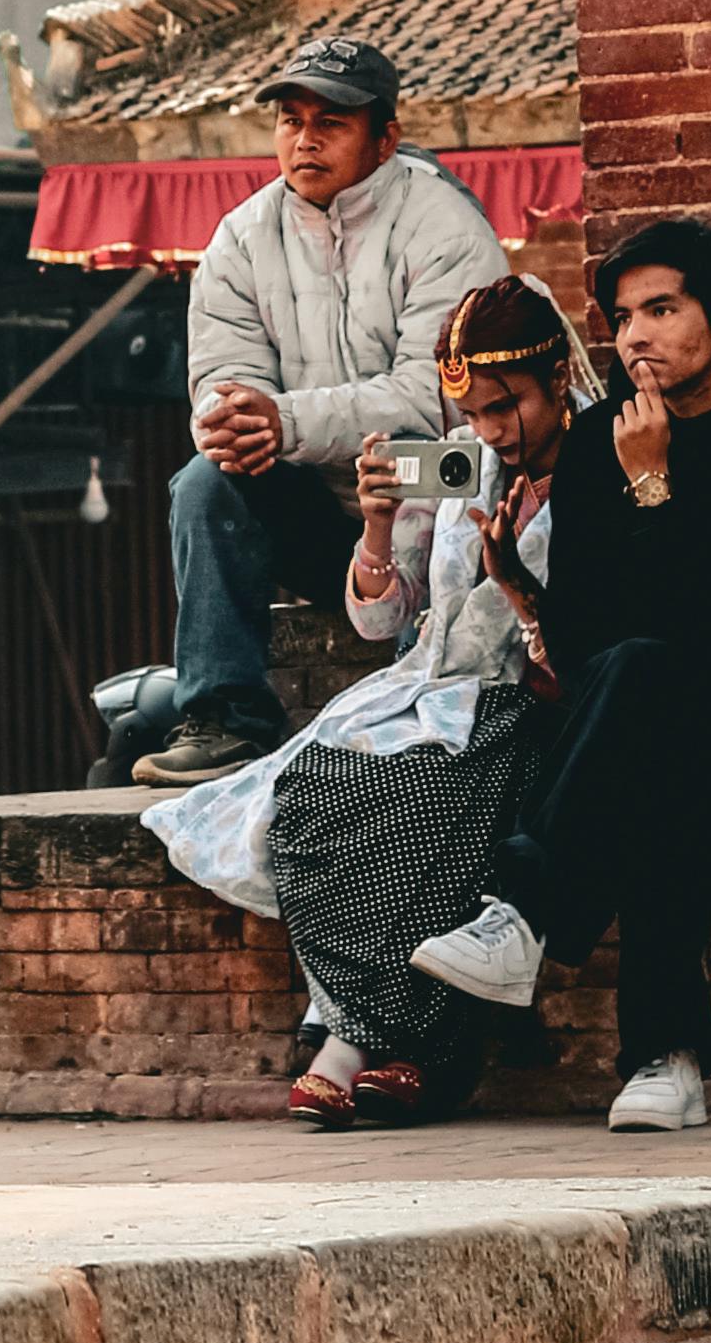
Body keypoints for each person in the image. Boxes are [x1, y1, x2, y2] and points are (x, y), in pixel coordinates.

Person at [409, 218, 711, 1131]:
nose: (636, 335)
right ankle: (663, 1056)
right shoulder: (597, 444)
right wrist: (527, 580)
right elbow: (585, 640)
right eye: (621, 316)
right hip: (646, 714)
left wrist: (654, 487)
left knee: (655, 690)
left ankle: (529, 917)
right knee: (654, 736)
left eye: (661, 309)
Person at [141, 275, 588, 1124]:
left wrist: (521, 590)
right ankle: (385, 1038)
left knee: (427, 801)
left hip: (527, 696)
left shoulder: (598, 475)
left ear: (558, 381)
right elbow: (380, 617)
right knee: (305, 796)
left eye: (506, 408)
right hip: (422, 688)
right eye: (473, 412)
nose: (490, 431)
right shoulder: (464, 468)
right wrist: (381, 526)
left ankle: (382, 1045)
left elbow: (588, 637)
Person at [126, 31, 506, 787]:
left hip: (435, 509)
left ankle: (422, 692)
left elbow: (432, 397)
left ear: (385, 137)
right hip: (321, 522)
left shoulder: (444, 226)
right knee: (206, 480)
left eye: (330, 123)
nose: (305, 140)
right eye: (290, 120)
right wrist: (227, 418)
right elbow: (225, 380)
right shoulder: (240, 237)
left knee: (425, 456)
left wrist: (284, 421)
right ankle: (228, 719)